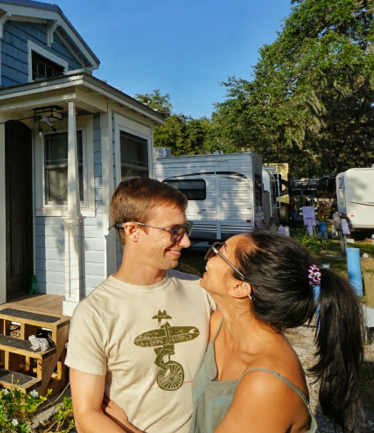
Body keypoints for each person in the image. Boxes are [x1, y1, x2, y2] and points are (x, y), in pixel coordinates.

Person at [65, 178, 214, 433]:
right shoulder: (95, 314)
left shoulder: (202, 291)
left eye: (185, 228)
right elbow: (87, 415)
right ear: (133, 230)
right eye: (174, 230)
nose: (186, 241)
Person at [191, 231, 363, 433]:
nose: (209, 255)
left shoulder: (267, 382)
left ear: (240, 287)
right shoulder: (218, 325)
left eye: (219, 251)